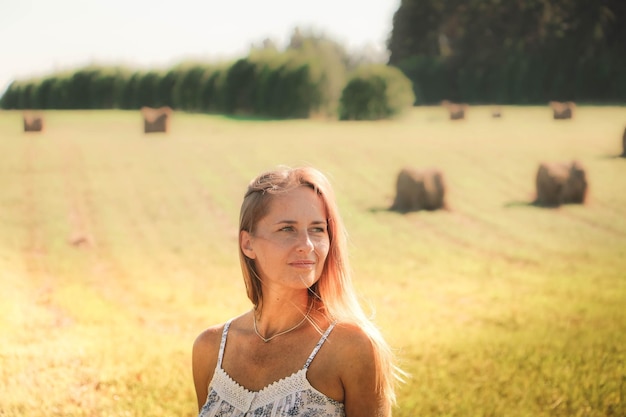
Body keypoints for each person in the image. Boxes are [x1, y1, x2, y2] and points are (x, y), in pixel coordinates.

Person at [192, 166, 402, 417]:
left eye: (317, 229)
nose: (306, 245)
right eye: (287, 229)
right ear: (248, 243)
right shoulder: (211, 348)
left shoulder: (352, 348)